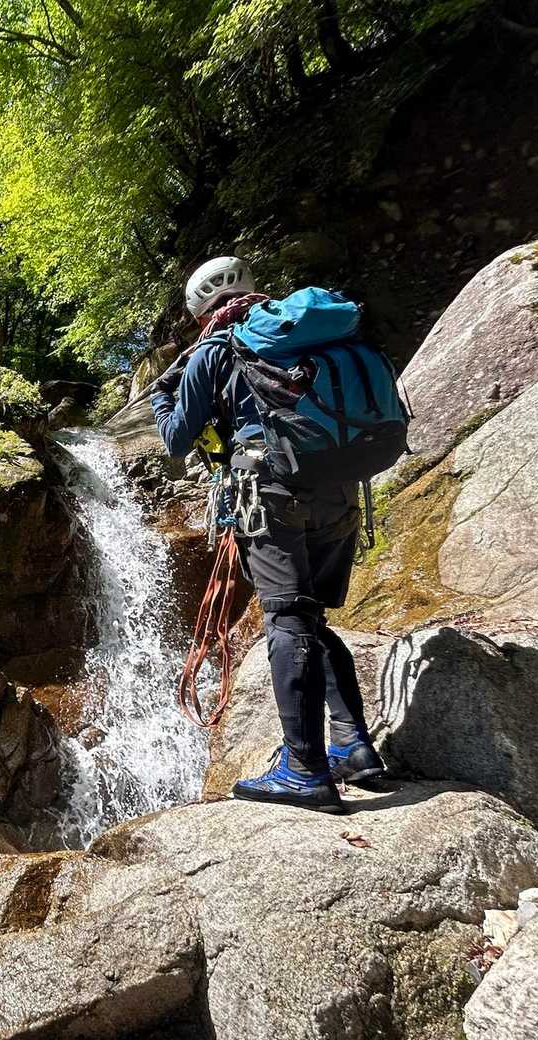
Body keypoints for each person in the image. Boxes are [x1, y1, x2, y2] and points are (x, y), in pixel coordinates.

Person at [150, 255, 386, 814]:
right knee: (311, 619)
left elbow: (177, 440)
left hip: (269, 495)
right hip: (340, 490)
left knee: (287, 617)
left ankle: (305, 771)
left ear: (200, 311)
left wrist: (162, 396)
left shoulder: (215, 350)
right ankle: (353, 745)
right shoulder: (306, 335)